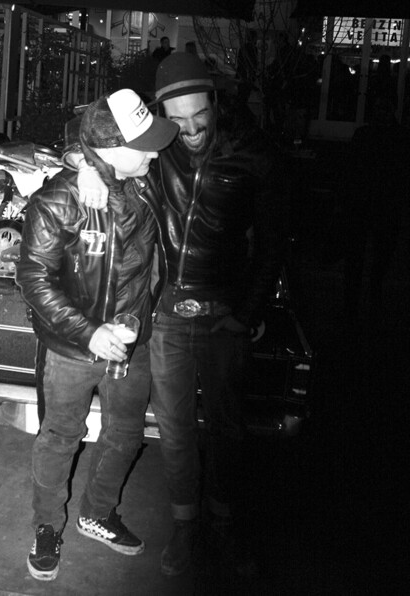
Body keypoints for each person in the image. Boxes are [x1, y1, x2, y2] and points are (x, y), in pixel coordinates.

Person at [68, 52, 286, 577]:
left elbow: (274, 244)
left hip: (224, 313)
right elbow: (91, 134)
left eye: (199, 115)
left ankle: (223, 525)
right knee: (176, 429)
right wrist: (87, 167)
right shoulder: (159, 146)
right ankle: (186, 527)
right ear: (162, 113)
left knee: (228, 429)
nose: (190, 129)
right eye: (178, 118)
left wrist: (247, 312)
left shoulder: (255, 154)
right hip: (166, 313)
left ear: (215, 101)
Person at [15, 89, 178, 582]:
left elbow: (82, 134)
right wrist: (89, 333)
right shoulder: (58, 202)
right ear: (109, 149)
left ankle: (97, 513)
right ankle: (47, 527)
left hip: (133, 343)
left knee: (125, 436)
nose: (155, 154)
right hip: (73, 348)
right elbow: (34, 280)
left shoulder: (145, 183)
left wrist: (85, 161)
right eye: (143, 145)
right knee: (60, 439)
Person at [341, 94, 409, 326]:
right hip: (381, 204)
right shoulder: (398, 137)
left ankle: (356, 304)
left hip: (369, 203)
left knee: (362, 257)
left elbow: (351, 170)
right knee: (374, 256)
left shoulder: (367, 135)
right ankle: (369, 301)